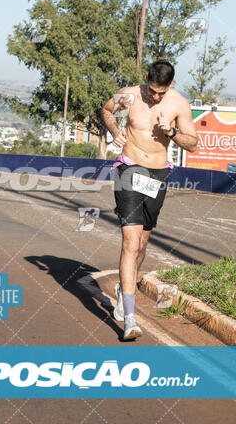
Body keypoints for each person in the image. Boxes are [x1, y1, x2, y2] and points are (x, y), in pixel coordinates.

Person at [102, 60, 198, 340]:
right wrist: (115, 131)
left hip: (158, 174)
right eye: (153, 91)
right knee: (130, 242)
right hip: (128, 168)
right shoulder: (129, 94)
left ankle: (124, 287)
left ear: (170, 86)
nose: (156, 97)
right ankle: (130, 318)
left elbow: (192, 142)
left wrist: (171, 132)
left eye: (162, 92)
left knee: (142, 243)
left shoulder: (179, 104)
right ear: (146, 79)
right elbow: (107, 110)